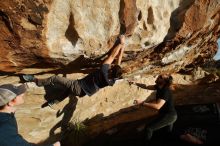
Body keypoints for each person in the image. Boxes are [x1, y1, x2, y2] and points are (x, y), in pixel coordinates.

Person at [22, 35, 126, 105]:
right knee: (68, 89)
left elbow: (112, 56)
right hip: (83, 92)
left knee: (54, 78)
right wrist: (122, 47)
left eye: (112, 67)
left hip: (78, 86)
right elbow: (118, 63)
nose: (111, 65)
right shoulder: (112, 80)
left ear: (111, 71)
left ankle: (36, 81)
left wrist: (120, 43)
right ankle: (54, 101)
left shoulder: (103, 71)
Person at [129, 74, 177, 142]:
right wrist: (135, 83)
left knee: (149, 128)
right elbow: (146, 86)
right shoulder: (159, 86)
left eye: (160, 77)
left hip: (169, 116)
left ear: (164, 81)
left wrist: (142, 103)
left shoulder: (165, 91)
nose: (158, 77)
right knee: (167, 134)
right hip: (166, 115)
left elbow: (158, 106)